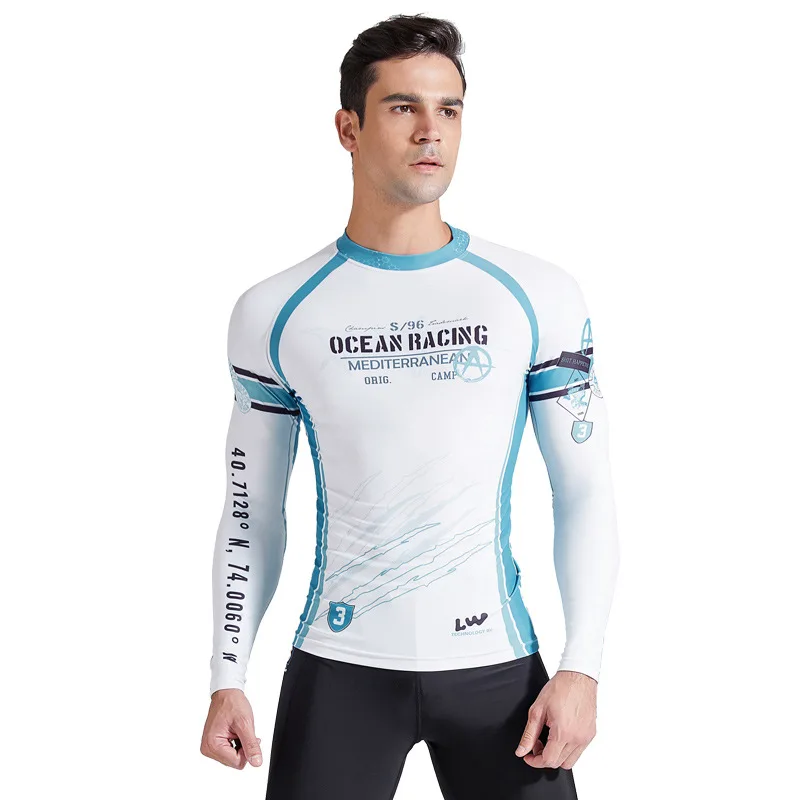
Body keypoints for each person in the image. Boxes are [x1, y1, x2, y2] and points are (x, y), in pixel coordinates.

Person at [199, 13, 620, 800]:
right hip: (340, 671)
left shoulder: (535, 296)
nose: (432, 130)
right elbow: (252, 513)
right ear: (348, 128)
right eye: (403, 107)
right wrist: (228, 675)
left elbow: (585, 492)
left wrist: (581, 668)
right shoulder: (276, 311)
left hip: (500, 675)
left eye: (449, 109)